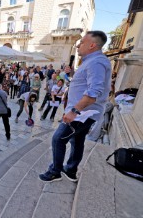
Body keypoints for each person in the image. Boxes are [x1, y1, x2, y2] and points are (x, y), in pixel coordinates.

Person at [39, 31, 111, 182]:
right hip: (85, 113)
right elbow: (86, 83)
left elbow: (93, 92)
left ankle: (55, 171)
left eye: (82, 42)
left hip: (82, 113)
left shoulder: (96, 62)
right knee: (77, 140)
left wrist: (74, 111)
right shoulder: (92, 61)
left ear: (92, 45)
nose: (78, 45)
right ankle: (71, 170)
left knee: (58, 139)